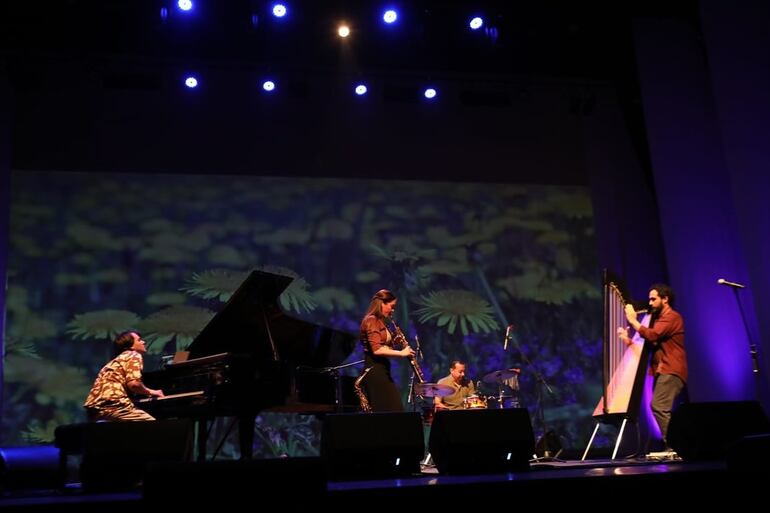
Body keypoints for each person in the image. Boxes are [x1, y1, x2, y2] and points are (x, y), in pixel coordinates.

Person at [619, 283, 687, 450]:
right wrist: (628, 340)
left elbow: (653, 335)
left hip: (672, 369)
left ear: (665, 299)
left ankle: (675, 446)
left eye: (653, 299)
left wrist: (633, 320)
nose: (649, 303)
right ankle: (677, 444)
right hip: (663, 370)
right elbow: (648, 345)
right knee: (661, 407)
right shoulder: (658, 320)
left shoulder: (672, 317)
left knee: (658, 406)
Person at [84, 331, 164, 421]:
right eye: (139, 340)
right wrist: (152, 392)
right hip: (114, 406)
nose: (143, 342)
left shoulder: (114, 362)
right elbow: (134, 385)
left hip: (95, 410)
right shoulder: (133, 355)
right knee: (155, 428)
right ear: (131, 346)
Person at [359, 289, 415, 412]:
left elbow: (382, 345)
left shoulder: (380, 322)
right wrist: (401, 353)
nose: (393, 310)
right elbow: (377, 350)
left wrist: (395, 341)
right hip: (375, 371)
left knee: (392, 410)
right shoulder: (371, 320)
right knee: (392, 410)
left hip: (382, 369)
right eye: (392, 306)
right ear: (382, 303)